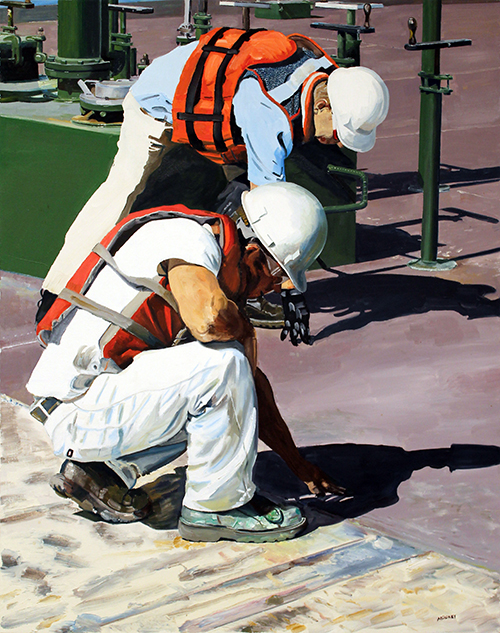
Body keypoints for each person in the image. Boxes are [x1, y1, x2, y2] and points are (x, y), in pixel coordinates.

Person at [27, 182, 346, 543]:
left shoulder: (207, 252)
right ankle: (218, 507)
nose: (267, 292)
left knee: (221, 398)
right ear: (255, 254)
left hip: (86, 402)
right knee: (223, 365)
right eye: (274, 279)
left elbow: (247, 393)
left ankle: (98, 472)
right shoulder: (189, 240)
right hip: (82, 404)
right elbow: (209, 321)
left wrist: (299, 465)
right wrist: (246, 334)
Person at [38, 27, 389, 343]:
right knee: (120, 192)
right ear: (324, 104)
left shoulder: (322, 72)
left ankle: (238, 291)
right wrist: (290, 288)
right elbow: (272, 211)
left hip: (215, 115)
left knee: (233, 195)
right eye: (340, 133)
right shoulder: (271, 114)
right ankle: (55, 291)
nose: (339, 143)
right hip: (155, 106)